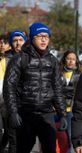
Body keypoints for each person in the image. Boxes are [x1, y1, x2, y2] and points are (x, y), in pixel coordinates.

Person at [3, 22, 67, 153]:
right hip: (25, 114)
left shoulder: (53, 61)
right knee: (22, 149)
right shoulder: (19, 59)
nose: (44, 39)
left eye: (46, 36)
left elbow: (57, 89)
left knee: (50, 149)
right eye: (39, 36)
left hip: (46, 114)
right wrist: (13, 112)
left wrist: (62, 114)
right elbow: (9, 87)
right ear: (32, 38)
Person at [0, 30, 27, 153]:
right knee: (13, 139)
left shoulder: (31, 58)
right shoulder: (5, 60)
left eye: (20, 40)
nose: (18, 43)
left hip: (28, 104)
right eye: (15, 41)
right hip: (9, 104)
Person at [57, 50, 82, 153]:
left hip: (71, 111)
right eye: (69, 59)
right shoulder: (57, 74)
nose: (71, 61)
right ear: (64, 60)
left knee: (70, 137)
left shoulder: (79, 76)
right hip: (57, 110)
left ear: (76, 62)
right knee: (56, 137)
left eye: (73, 59)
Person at [0, 33, 10, 153]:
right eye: (0, 42)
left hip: (7, 101)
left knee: (8, 131)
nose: (2, 45)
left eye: (4, 43)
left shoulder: (12, 60)